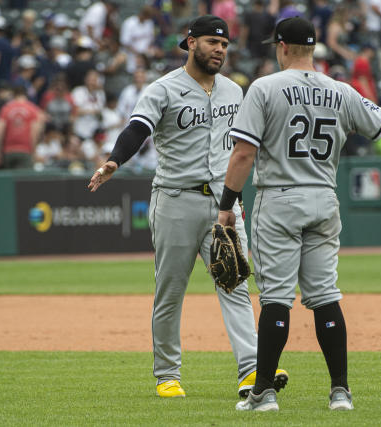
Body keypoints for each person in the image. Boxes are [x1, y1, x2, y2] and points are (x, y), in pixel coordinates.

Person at [216, 17, 381, 412]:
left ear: (281, 46)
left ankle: (262, 392)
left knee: (277, 298)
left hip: (279, 198)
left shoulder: (264, 88)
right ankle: (340, 392)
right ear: (312, 48)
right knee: (325, 296)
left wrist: (226, 207)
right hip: (323, 198)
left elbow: (244, 153)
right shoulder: (341, 90)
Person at [88, 15, 288, 399]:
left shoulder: (234, 91)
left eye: (225, 45)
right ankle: (167, 375)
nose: (220, 50)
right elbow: (137, 129)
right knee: (171, 291)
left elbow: (246, 147)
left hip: (223, 203)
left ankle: (250, 370)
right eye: (213, 42)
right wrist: (116, 160)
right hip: (175, 200)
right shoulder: (163, 89)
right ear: (190, 42)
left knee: (235, 284)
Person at [0, 84, 46, 169]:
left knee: (9, 180)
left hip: (8, 150)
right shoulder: (32, 109)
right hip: (25, 150)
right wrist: (34, 151)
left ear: (14, 94)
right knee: (24, 180)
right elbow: (35, 132)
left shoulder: (6, 108)